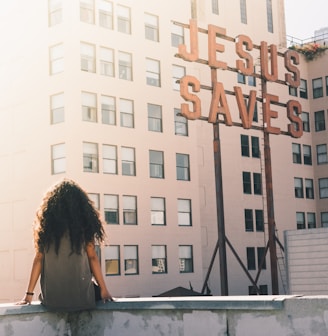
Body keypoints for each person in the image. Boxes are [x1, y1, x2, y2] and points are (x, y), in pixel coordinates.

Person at [17, 179, 114, 311]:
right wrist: (104, 291)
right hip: (81, 299)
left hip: (52, 300)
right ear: (81, 204)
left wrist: (28, 295)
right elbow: (92, 258)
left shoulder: (46, 228)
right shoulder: (84, 226)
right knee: (92, 289)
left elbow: (38, 259)